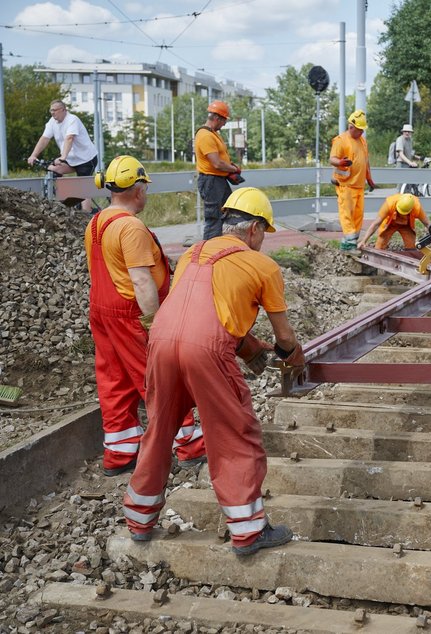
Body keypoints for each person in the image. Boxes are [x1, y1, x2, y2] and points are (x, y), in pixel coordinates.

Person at [123, 187, 304, 556]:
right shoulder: (262, 266)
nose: (263, 241)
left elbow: (199, 307)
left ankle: (139, 520)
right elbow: (284, 336)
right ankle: (249, 531)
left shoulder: (193, 252)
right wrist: (290, 357)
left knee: (159, 429)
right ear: (253, 228)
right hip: (207, 350)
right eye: (264, 233)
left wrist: (246, 345)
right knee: (234, 433)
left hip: (160, 340)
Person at [85, 156, 206, 476]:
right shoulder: (131, 227)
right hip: (130, 315)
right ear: (137, 190)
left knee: (114, 382)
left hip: (102, 313)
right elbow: (140, 280)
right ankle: (190, 446)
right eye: (145, 187)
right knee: (161, 380)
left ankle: (120, 455)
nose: (146, 194)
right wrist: (155, 325)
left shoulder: (96, 222)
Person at [27, 100, 99, 211]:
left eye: (55, 110)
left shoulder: (72, 120)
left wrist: (63, 157)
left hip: (86, 159)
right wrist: (33, 155)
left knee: (84, 189)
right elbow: (45, 138)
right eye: (51, 110)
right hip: (71, 160)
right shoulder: (52, 122)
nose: (52, 113)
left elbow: (69, 138)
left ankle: (88, 214)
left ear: (64, 110)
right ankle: (66, 202)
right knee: (53, 169)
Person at [195, 100, 243, 240]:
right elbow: (216, 164)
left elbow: (220, 160)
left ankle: (221, 246)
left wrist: (229, 167)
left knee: (227, 212)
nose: (225, 124)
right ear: (216, 118)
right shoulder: (205, 136)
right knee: (214, 218)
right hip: (211, 181)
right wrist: (234, 169)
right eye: (224, 121)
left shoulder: (213, 133)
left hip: (218, 180)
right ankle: (209, 253)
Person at [330, 110, 375, 251]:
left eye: (362, 130)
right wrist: (339, 163)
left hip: (359, 185)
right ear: (351, 127)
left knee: (357, 216)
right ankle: (349, 245)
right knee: (347, 215)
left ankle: (350, 242)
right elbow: (332, 158)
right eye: (359, 130)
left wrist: (369, 179)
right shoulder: (341, 140)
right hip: (346, 184)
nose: (361, 133)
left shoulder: (362, 141)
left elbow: (365, 162)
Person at [357, 193, 429, 250]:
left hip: (406, 226)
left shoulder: (416, 207)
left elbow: (427, 223)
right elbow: (376, 224)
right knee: (379, 247)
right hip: (390, 224)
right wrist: (364, 241)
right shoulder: (389, 204)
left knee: (411, 247)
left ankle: (410, 259)